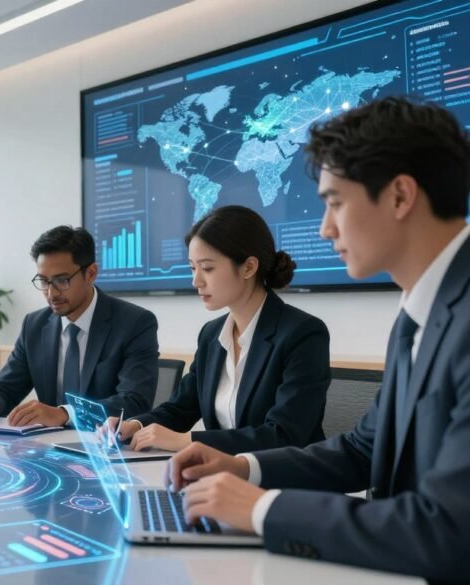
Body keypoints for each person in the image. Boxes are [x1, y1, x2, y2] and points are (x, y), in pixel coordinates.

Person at [167, 96, 470, 582]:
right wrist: (243, 467)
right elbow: (362, 451)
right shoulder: (421, 313)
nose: (326, 228)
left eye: (334, 202)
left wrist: (263, 511)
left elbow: (450, 531)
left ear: (399, 196)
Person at [103, 206, 330, 454]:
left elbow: (284, 435)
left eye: (207, 268)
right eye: (192, 268)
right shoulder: (212, 335)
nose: (196, 281)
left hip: (284, 481)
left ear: (248, 267)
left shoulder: (303, 334)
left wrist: (189, 441)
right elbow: (180, 408)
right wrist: (135, 425)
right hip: (222, 476)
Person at [0, 225, 159, 427]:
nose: (51, 293)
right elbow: (5, 388)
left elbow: (135, 402)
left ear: (91, 273)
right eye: (43, 281)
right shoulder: (34, 326)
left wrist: (66, 414)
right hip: (46, 451)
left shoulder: (135, 324)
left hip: (107, 450)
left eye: (61, 280)